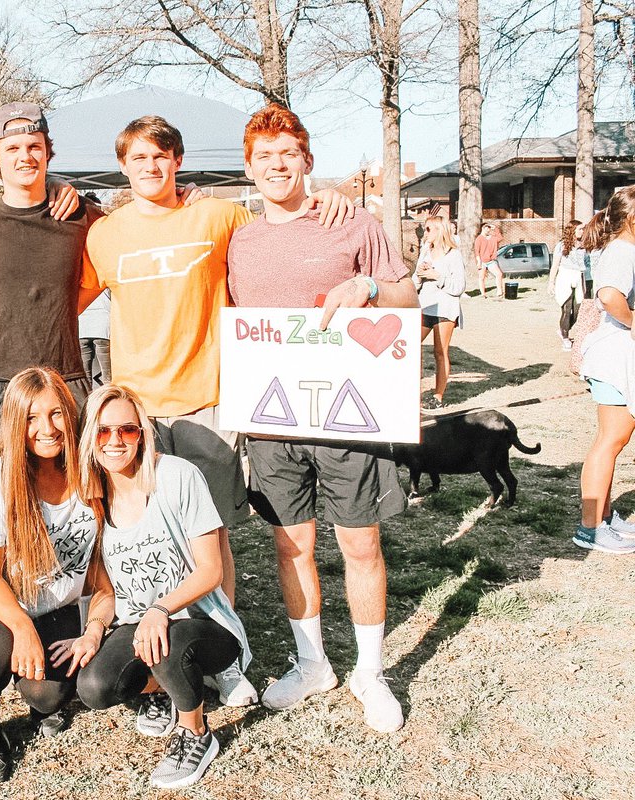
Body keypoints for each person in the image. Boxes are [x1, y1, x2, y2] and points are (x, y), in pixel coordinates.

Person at [82, 115, 350, 707]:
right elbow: (63, 297)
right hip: (137, 415)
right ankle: (150, 649)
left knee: (214, 536)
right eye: (139, 159)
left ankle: (224, 656)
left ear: (178, 161)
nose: (151, 168)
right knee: (143, 533)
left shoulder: (221, 215)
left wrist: (327, 198)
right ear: (123, 166)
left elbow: (282, 232)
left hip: (209, 400)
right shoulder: (103, 234)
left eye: (162, 156)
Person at [227, 104, 418, 733]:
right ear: (249, 168)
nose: (276, 166)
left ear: (307, 159)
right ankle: (313, 664)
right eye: (264, 157)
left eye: (288, 154)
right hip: (275, 419)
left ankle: (370, 670)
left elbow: (407, 298)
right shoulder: (240, 237)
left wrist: (365, 289)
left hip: (350, 416)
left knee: (360, 542)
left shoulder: (354, 222)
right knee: (291, 542)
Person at [63, 384, 251, 790]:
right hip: (140, 625)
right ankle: (163, 689)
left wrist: (160, 609)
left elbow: (211, 570)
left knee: (169, 646)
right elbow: (106, 589)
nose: (114, 441)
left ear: (142, 433)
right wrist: (94, 630)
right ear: (88, 437)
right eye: (102, 430)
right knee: (93, 687)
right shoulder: (92, 499)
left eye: (127, 430)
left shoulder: (178, 475)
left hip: (203, 623)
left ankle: (196, 733)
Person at [0, 367, 97, 783]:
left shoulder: (90, 469)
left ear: (71, 412)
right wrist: (21, 627)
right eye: (31, 418)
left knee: (49, 695)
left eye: (55, 414)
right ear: (15, 422)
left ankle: (35, 696)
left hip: (56, 602)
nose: (46, 429)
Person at [0, 101, 98, 469]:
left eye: (34, 147)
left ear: (49, 152)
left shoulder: (82, 215)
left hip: (63, 378)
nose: (25, 157)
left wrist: (186, 194)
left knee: (73, 507)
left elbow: (144, 223)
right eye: (13, 148)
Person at [573, 187, 635, 554]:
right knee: (609, 442)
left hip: (618, 356)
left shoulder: (624, 249)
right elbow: (611, 297)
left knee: (614, 441)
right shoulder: (623, 251)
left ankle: (605, 518)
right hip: (615, 357)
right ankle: (590, 528)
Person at [413, 216, 465, 409]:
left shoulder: (453, 254)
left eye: (428, 229)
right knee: (410, 344)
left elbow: (459, 287)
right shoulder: (426, 251)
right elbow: (415, 282)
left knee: (439, 352)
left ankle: (438, 396)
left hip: (445, 307)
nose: (424, 233)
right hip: (425, 305)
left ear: (438, 230)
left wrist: (438, 276)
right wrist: (419, 275)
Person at [548, 219, 587, 350]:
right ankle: (565, 337)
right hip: (565, 276)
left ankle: (563, 329)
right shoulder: (562, 245)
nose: (582, 231)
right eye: (580, 229)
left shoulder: (584, 245)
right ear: (573, 230)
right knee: (566, 307)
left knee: (578, 310)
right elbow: (555, 265)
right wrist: (551, 283)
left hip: (578, 276)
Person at [78, 289, 112, 387]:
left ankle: (87, 400)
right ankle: (107, 399)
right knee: (107, 376)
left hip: (83, 326)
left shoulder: (81, 283)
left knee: (85, 377)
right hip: (102, 326)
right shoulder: (104, 280)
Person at [474, 222, 504, 298]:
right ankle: (483, 294)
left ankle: (499, 291)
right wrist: (478, 262)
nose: (488, 229)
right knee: (482, 277)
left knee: (499, 274)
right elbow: (477, 251)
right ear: (482, 228)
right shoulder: (479, 239)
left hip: (491, 261)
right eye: (486, 227)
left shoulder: (493, 238)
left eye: (489, 228)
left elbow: (500, 238)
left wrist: (495, 228)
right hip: (482, 261)